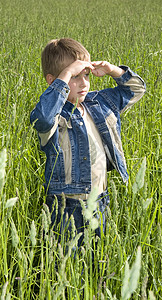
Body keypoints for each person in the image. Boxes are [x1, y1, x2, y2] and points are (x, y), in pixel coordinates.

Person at [30, 38, 146, 251]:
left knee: (96, 264)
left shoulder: (99, 103)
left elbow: (136, 90)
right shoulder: (55, 117)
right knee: (65, 265)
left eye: (85, 75)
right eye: (74, 77)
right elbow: (43, 118)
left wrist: (112, 70)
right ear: (53, 81)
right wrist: (65, 76)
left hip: (100, 201)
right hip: (65, 206)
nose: (83, 83)